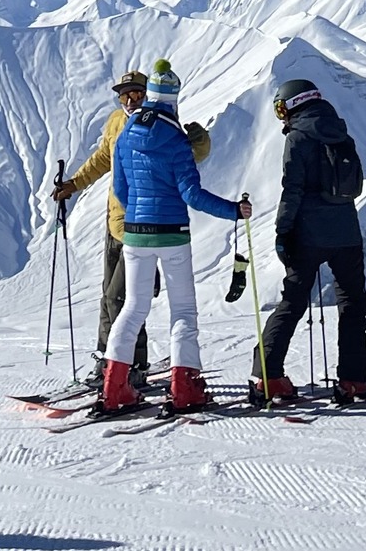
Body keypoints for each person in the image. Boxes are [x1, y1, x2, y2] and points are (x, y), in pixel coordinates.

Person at [101, 61, 250, 412]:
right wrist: (233, 210)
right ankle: (185, 388)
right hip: (172, 234)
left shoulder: (125, 136)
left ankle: (113, 388)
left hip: (134, 234)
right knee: (182, 310)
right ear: (173, 99)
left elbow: (120, 191)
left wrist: (139, 214)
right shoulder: (177, 140)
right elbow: (192, 195)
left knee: (133, 308)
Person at [52, 69, 211, 386]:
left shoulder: (159, 125)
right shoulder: (115, 121)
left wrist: (202, 142)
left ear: (148, 94)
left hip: (142, 229)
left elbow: (190, 155)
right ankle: (106, 361)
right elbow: (102, 158)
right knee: (108, 298)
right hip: (113, 225)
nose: (130, 98)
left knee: (121, 300)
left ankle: (130, 368)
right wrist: (74, 184)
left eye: (137, 92)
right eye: (124, 93)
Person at [256, 79, 366, 406]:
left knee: (293, 301)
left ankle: (268, 375)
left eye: (282, 107)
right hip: (346, 232)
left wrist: (283, 233)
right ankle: (354, 379)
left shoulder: (297, 138)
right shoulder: (342, 134)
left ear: (294, 104)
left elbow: (291, 190)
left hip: (307, 234)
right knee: (352, 303)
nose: (281, 115)